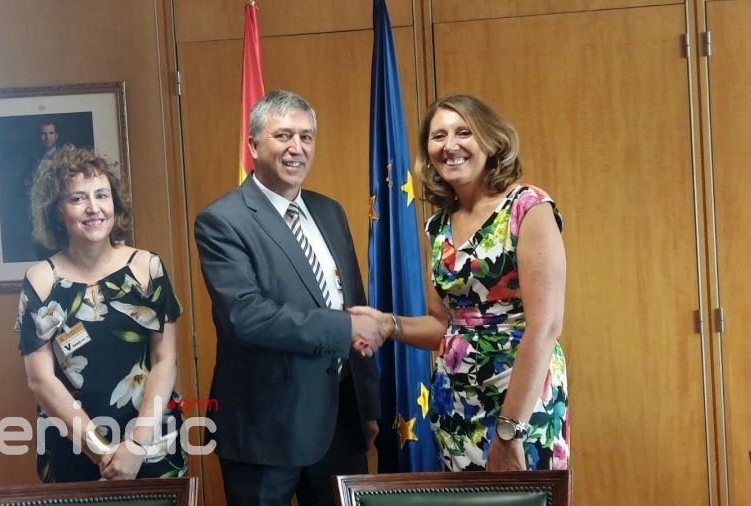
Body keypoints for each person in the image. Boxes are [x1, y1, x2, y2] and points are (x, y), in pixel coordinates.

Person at [350, 94, 569, 472]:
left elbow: (545, 326)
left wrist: (509, 431)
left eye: (463, 132)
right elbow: (444, 326)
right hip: (456, 405)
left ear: (491, 141)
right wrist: (388, 324)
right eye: (438, 136)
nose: (450, 146)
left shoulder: (528, 207)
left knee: (526, 496)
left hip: (520, 403)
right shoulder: (437, 226)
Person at [193, 90, 384, 505]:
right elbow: (246, 316)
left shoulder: (330, 211)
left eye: (306, 136)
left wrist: (367, 405)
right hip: (264, 431)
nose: (297, 148)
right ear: (253, 145)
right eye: (283, 136)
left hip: (340, 424)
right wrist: (346, 327)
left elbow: (353, 301)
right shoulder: (222, 221)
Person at [13, 145, 187, 482]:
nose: (93, 208)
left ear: (114, 204)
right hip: (73, 447)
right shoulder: (41, 281)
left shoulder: (147, 269)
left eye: (101, 195)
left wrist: (136, 445)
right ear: (57, 211)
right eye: (78, 198)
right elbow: (40, 379)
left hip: (151, 442)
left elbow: (165, 359)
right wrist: (101, 453)